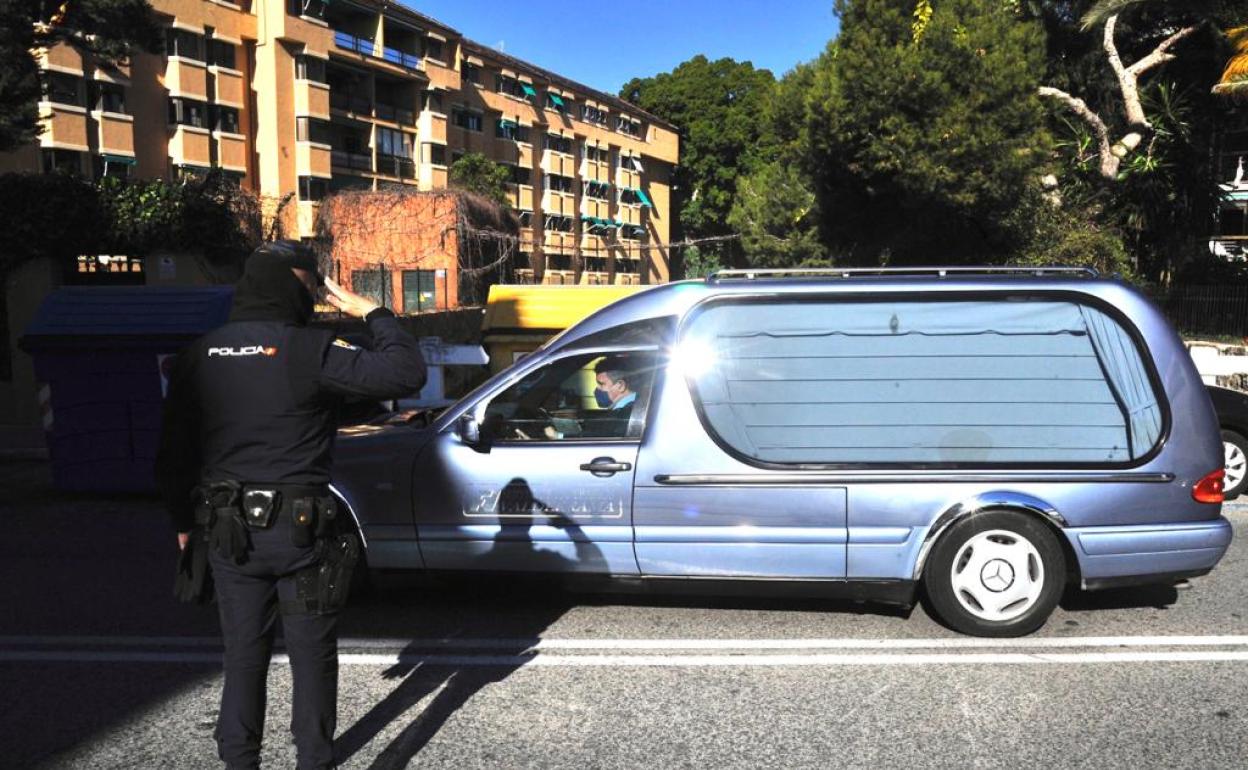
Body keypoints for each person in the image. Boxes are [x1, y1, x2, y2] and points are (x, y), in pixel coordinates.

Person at [156, 240, 426, 770]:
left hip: (227, 530)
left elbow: (172, 450)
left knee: (242, 657)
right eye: (313, 286)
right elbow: (404, 373)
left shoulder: (198, 354)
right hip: (302, 533)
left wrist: (182, 522)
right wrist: (371, 311)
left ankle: (239, 762)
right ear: (299, 288)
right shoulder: (309, 349)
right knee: (312, 657)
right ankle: (314, 761)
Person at [542, 355, 640, 440]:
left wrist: (557, 436)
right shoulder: (627, 408)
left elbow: (603, 436)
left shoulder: (628, 413)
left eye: (602, 384)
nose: (597, 388)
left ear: (620, 385)